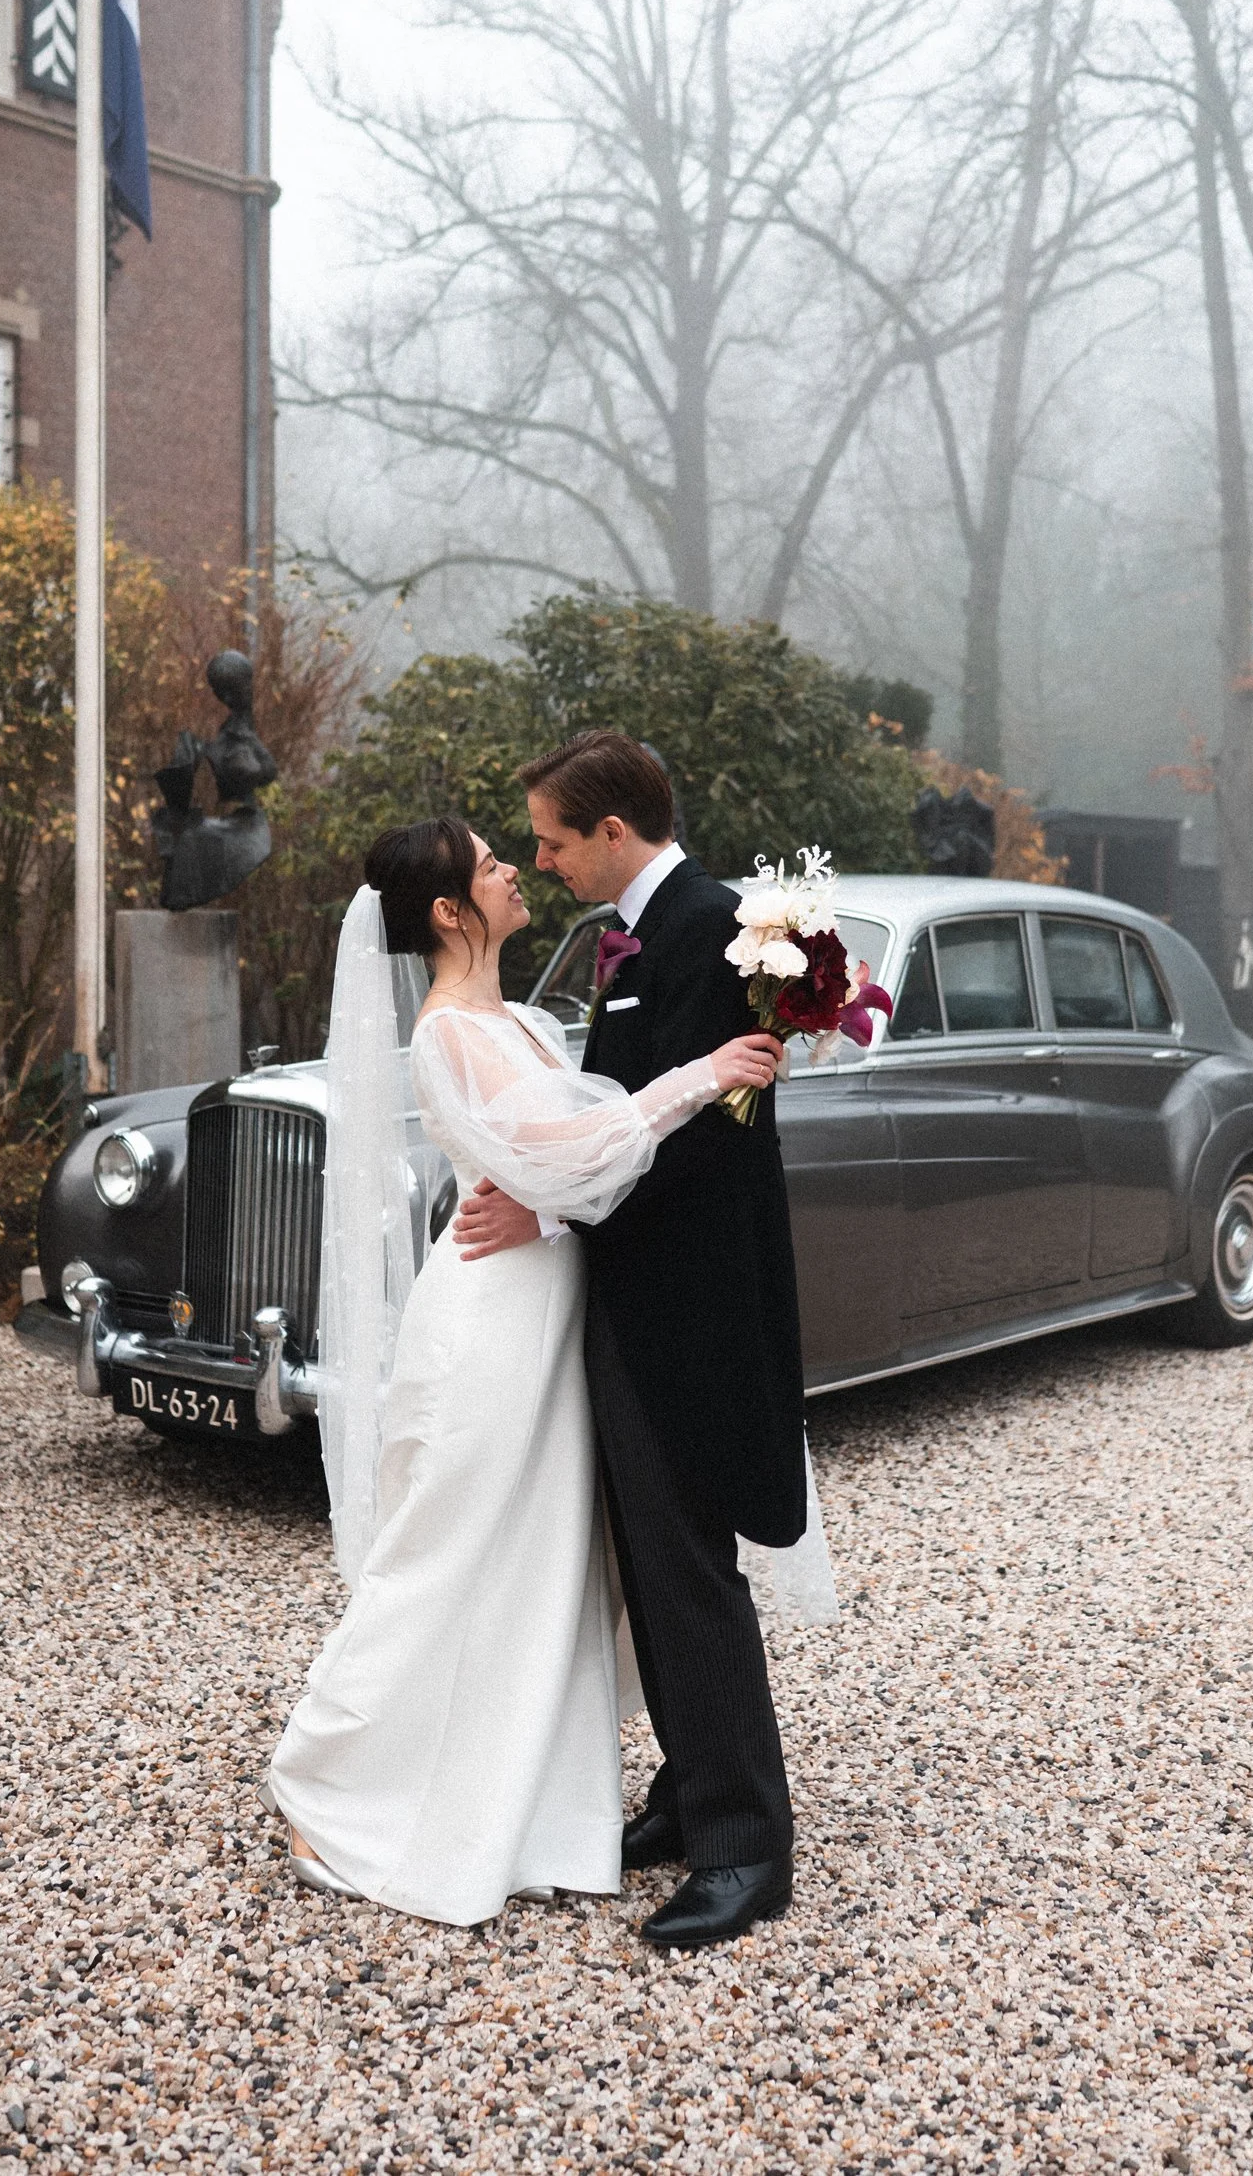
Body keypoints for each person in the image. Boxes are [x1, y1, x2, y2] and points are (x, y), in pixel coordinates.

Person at [263, 816, 781, 1929]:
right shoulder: (448, 1033)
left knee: (537, 1564)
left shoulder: (528, 1022)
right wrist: (697, 1077)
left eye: (510, 851)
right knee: (446, 1547)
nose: (511, 867)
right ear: (449, 911)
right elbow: (560, 1153)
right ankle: (330, 1769)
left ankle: (528, 1800)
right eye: (489, 863)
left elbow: (559, 1166)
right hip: (488, 1329)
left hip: (552, 1314)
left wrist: (545, 1193)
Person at [453, 732, 811, 1950]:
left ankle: (744, 1842)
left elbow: (706, 1144)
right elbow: (623, 1113)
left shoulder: (716, 928)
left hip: (693, 1309)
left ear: (612, 832)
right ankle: (685, 1784)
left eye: (551, 839)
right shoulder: (643, 935)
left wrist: (547, 1201)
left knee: (687, 1564)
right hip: (635, 1295)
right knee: (647, 1564)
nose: (541, 860)